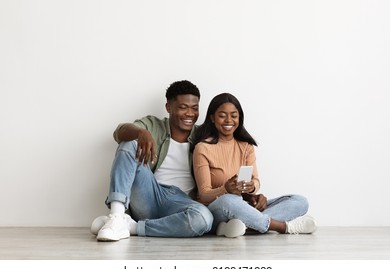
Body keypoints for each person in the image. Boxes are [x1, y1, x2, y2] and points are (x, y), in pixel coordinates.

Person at [90, 80, 214, 241]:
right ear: (168, 107)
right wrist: (140, 132)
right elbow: (120, 132)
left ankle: (130, 226)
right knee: (129, 143)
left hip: (181, 202)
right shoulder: (154, 125)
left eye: (195, 108)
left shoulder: (203, 136)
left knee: (203, 219)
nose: (190, 114)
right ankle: (116, 215)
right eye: (183, 107)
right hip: (150, 193)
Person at [192, 93, 317, 238]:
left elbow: (255, 180)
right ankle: (283, 227)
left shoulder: (246, 146)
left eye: (234, 115)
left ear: (239, 118)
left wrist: (252, 191)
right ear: (212, 118)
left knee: (300, 201)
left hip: (243, 205)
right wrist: (225, 189)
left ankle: (238, 226)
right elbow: (204, 194)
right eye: (222, 115)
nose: (229, 120)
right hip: (217, 209)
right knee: (229, 200)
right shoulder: (202, 148)